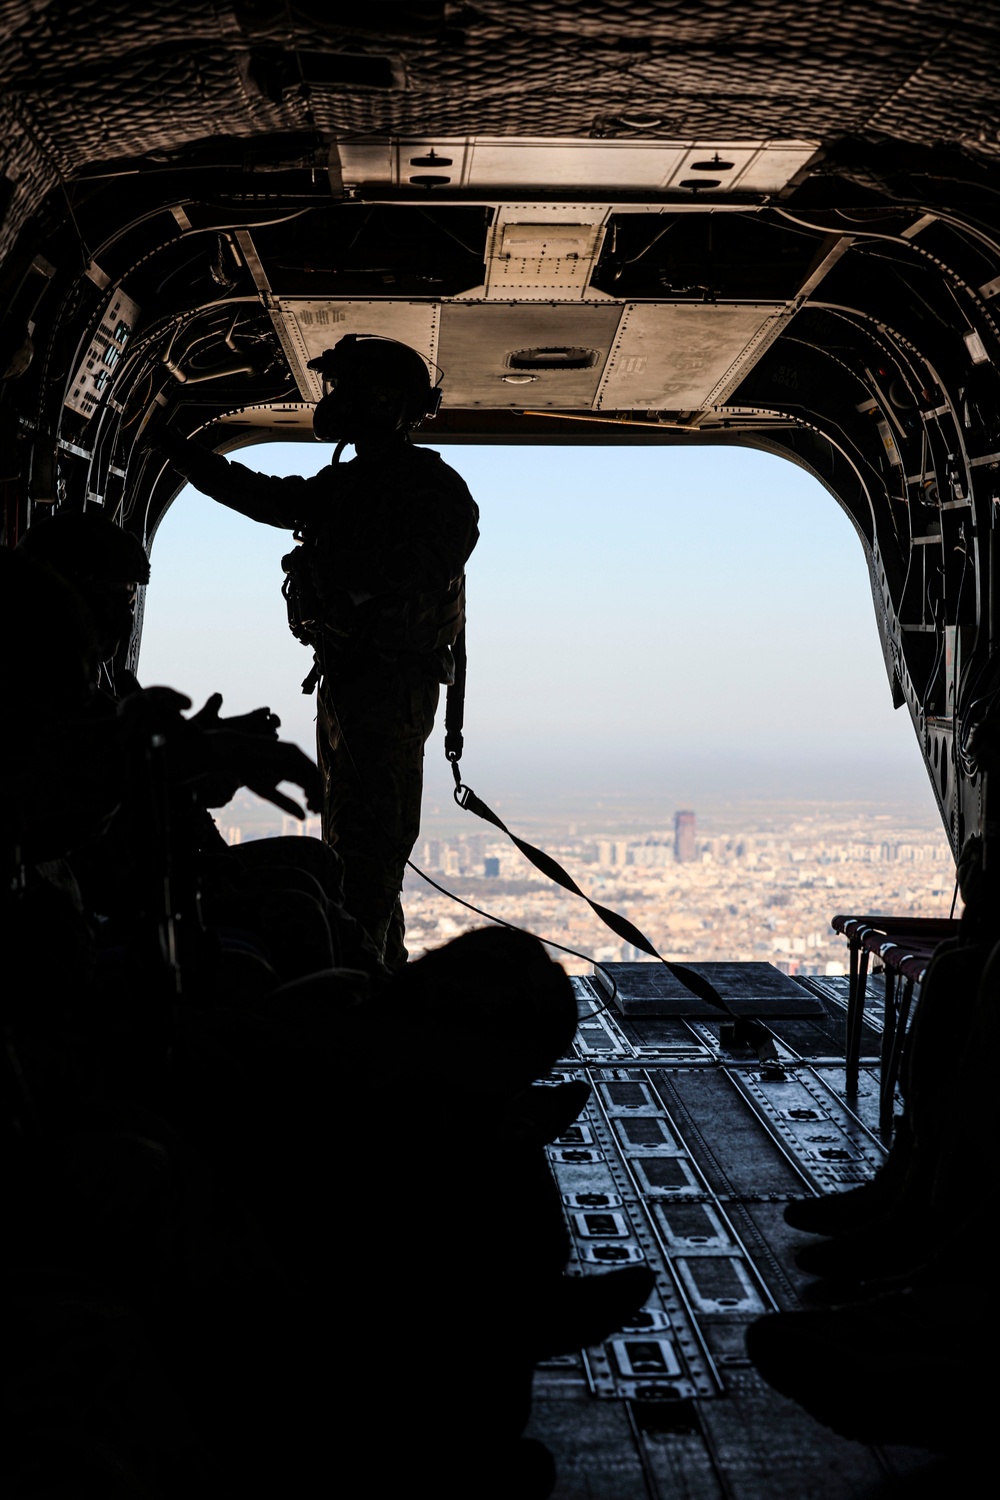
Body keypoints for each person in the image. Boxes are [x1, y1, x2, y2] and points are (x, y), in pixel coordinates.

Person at [147, 334, 480, 971]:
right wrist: (177, 451)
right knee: (356, 845)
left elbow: (431, 563)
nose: (330, 402)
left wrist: (341, 575)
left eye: (343, 389)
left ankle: (362, 998)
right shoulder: (355, 482)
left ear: (380, 401)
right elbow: (270, 499)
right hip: (351, 681)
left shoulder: (430, 487)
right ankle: (382, 976)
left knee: (369, 851)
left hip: (388, 686)